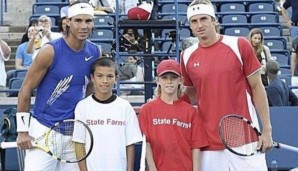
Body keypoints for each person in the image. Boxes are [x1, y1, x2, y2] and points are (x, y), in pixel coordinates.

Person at [181, 0, 273, 170]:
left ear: (214, 20)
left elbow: (257, 88)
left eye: (204, 19)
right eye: (194, 21)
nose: (199, 25)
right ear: (190, 26)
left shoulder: (239, 45)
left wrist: (267, 130)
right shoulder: (186, 55)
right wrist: (166, 102)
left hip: (245, 139)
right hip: (208, 143)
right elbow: (191, 93)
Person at [16, 2, 101, 170]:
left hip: (74, 132)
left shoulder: (95, 52)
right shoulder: (50, 51)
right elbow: (25, 89)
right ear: (67, 22)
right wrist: (22, 131)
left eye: (88, 21)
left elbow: (91, 89)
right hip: (43, 129)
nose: (84, 26)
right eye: (78, 20)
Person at [138, 59, 209, 171]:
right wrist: (153, 169)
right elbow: (146, 143)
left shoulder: (191, 112)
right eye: (164, 78)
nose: (169, 81)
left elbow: (196, 146)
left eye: (173, 77)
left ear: (181, 80)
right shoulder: (147, 110)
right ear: (158, 81)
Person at [74, 57, 142, 170]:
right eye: (99, 76)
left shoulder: (125, 107)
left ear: (116, 78)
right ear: (92, 78)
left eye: (110, 76)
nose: (104, 81)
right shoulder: (83, 107)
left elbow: (130, 144)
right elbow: (79, 143)